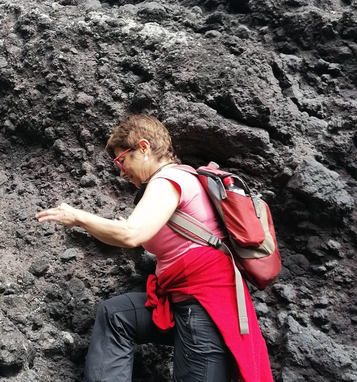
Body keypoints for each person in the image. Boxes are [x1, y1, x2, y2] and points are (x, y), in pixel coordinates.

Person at [36, 115, 273, 382]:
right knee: (117, 315)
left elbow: (131, 235)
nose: (121, 171)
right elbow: (133, 233)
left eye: (121, 160)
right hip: (180, 303)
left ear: (144, 147)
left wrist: (77, 217)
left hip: (207, 309)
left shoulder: (167, 180)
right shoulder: (172, 183)